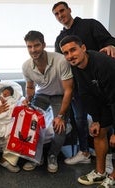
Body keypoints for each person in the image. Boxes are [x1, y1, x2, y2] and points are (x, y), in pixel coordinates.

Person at [52, 1, 115, 167]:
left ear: (69, 10)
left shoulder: (89, 25)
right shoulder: (60, 39)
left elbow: (109, 40)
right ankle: (85, 151)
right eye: (56, 14)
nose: (60, 15)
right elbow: (62, 65)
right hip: (80, 86)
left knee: (108, 116)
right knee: (81, 118)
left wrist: (110, 46)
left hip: (102, 82)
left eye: (62, 11)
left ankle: (108, 156)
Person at [59, 35, 115, 188]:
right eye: (66, 53)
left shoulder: (104, 64)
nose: (70, 55)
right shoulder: (76, 67)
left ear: (83, 48)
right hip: (105, 99)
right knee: (98, 133)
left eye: (73, 50)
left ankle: (113, 177)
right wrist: (96, 119)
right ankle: (100, 173)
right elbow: (86, 94)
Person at [22, 30, 73, 173]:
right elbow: (30, 87)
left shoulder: (61, 60)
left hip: (59, 96)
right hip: (42, 95)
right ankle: (36, 157)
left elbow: (69, 90)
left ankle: (52, 155)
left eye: (36, 45)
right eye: (29, 47)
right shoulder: (26, 66)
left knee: (60, 128)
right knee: (32, 124)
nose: (33, 50)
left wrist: (61, 116)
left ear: (43, 45)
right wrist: (28, 99)